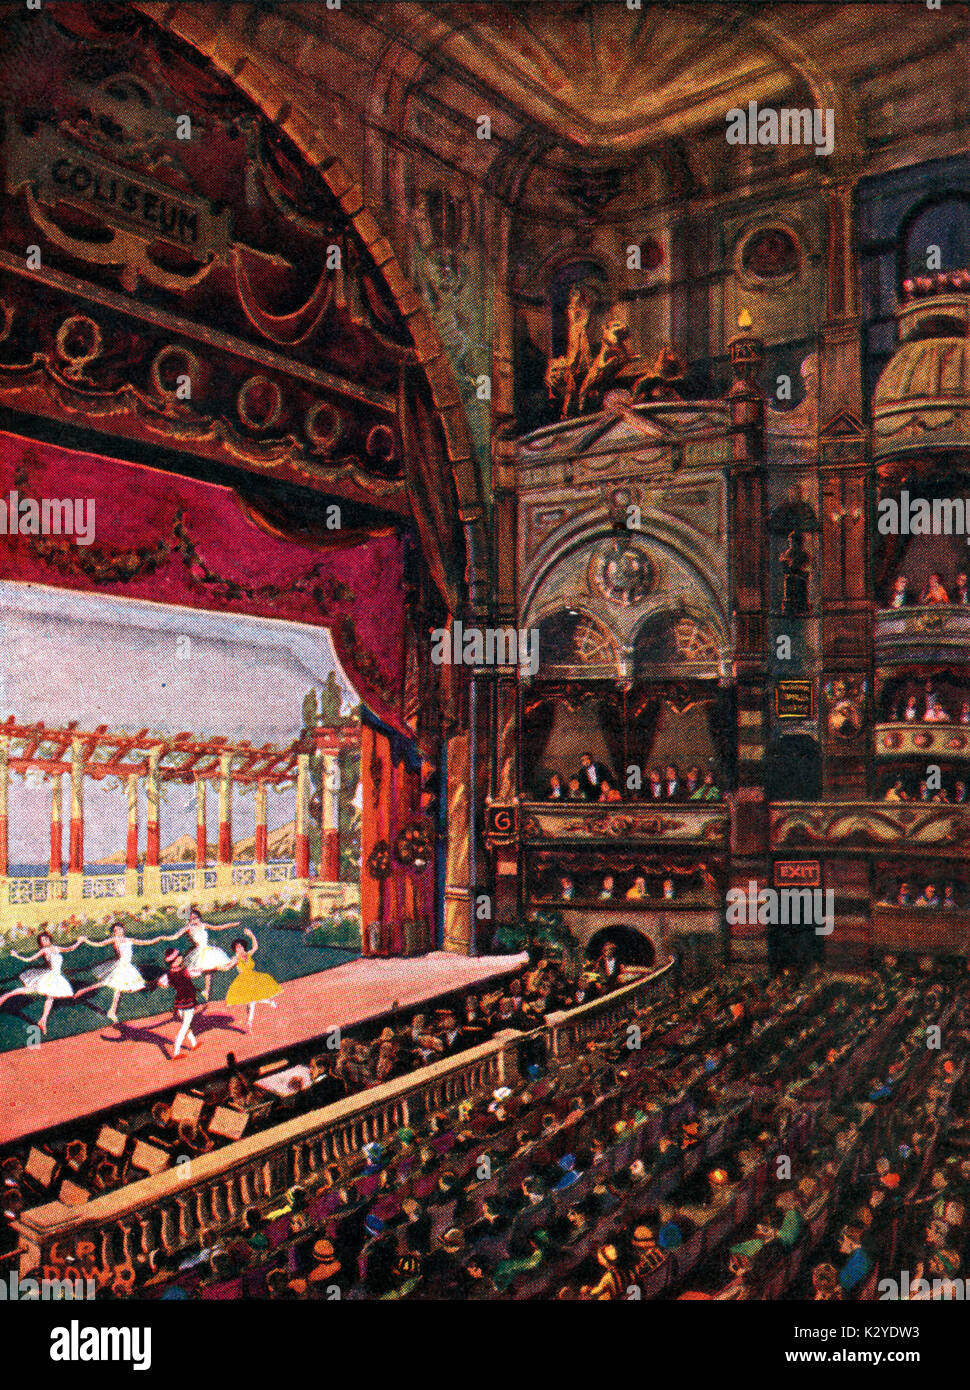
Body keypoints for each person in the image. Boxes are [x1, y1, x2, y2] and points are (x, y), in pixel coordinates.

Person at [72, 919, 178, 1023]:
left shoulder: (129, 940)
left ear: (123, 929)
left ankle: (112, 1011)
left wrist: (158, 938)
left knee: (118, 988)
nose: (117, 931)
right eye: (115, 930)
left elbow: (145, 942)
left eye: (119, 929)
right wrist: (85, 940)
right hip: (120, 966)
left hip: (127, 967)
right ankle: (82, 991)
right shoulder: (114, 940)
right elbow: (99, 944)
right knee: (106, 983)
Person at [0, 931, 84, 1035]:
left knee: (50, 997)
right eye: (43, 940)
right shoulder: (44, 950)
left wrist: (79, 941)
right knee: (31, 990)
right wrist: (17, 955)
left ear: (49, 939)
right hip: (49, 976)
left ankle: (43, 1021)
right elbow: (29, 959)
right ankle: (7, 995)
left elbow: (70, 948)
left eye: (46, 939)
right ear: (41, 944)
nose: (45, 941)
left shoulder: (56, 948)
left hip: (56, 977)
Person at [224, 928, 282, 1033]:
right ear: (235, 950)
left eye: (240, 947)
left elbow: (255, 946)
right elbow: (227, 967)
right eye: (237, 948)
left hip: (254, 978)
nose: (239, 949)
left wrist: (251, 935)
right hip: (244, 981)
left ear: (243, 947)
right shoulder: (236, 959)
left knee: (253, 1000)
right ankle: (251, 1020)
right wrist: (217, 966)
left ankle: (252, 1019)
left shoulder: (248, 954)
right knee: (251, 1001)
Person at [179, 908, 239, 1001]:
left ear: (199, 918)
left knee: (212, 969)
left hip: (208, 950)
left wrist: (232, 924)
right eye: (191, 919)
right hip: (199, 952)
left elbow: (219, 927)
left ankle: (206, 991)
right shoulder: (189, 927)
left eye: (195, 918)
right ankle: (204, 992)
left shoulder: (203, 925)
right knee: (206, 971)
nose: (193, 920)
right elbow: (176, 935)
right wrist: (163, 938)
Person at [155, 946, 200, 1059]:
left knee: (186, 1023)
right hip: (188, 1001)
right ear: (175, 960)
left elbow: (162, 983)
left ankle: (194, 1044)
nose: (181, 958)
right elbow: (198, 972)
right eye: (179, 957)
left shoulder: (169, 974)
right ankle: (176, 1051)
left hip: (179, 1003)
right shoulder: (185, 971)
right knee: (185, 1026)